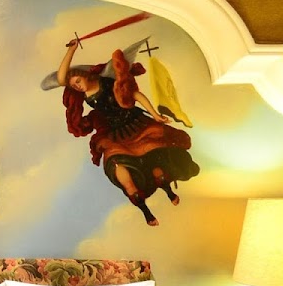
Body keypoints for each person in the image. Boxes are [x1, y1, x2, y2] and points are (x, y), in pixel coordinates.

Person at [57, 38, 199, 225]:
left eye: (78, 81)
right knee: (118, 167)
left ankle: (168, 191)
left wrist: (155, 115)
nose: (76, 86)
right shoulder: (82, 94)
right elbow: (61, 79)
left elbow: (135, 95)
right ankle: (146, 212)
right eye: (74, 85)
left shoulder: (106, 82)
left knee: (156, 157)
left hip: (135, 123)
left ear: (85, 76)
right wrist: (71, 50)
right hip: (114, 133)